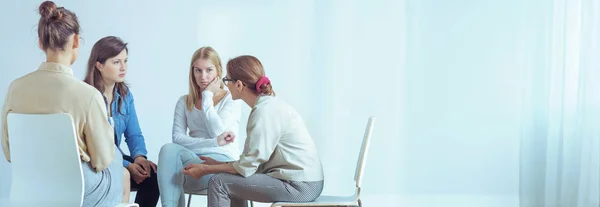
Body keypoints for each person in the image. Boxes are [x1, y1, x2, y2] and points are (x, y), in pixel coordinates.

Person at [1, 1, 128, 206]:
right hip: (77, 191)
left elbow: (9, 153)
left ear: (41, 43)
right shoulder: (87, 95)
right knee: (115, 162)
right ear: (76, 41)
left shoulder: (15, 89)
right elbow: (101, 160)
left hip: (29, 186)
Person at [182, 55, 324, 207]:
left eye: (227, 80)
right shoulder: (266, 106)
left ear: (239, 85)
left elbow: (246, 167)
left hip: (299, 185)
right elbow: (250, 162)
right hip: (303, 181)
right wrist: (218, 163)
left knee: (219, 183)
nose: (225, 85)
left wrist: (206, 169)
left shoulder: (263, 112)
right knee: (229, 181)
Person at [157, 46, 241, 207]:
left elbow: (216, 130)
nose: (203, 76)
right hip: (192, 164)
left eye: (209, 70)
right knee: (168, 149)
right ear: (192, 72)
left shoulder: (231, 99)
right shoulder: (184, 101)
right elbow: (178, 139)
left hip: (221, 164)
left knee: (173, 172)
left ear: (218, 71)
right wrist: (214, 142)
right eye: (198, 70)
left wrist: (207, 96)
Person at [83, 36, 160, 207]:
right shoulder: (86, 95)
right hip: (94, 159)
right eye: (116, 62)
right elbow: (93, 145)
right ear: (99, 65)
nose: (123, 67)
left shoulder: (125, 96)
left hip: (116, 156)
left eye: (125, 61)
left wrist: (139, 157)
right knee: (123, 172)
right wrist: (126, 165)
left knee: (153, 175)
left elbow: (134, 134)